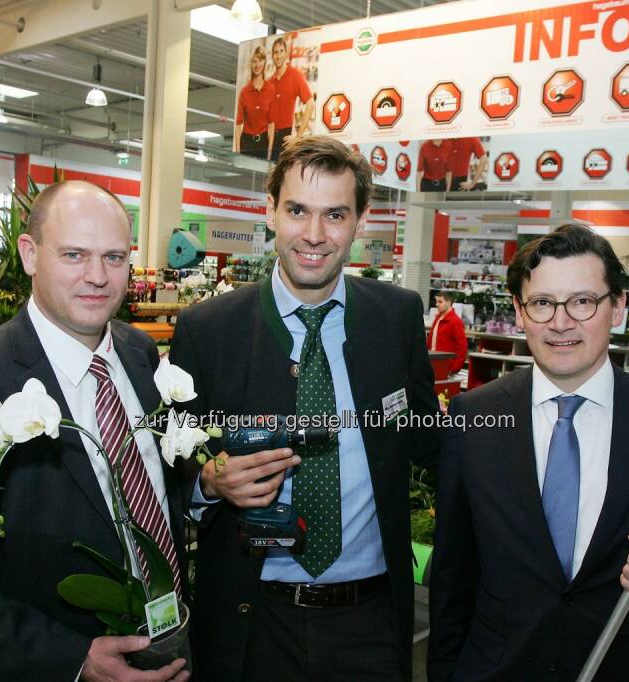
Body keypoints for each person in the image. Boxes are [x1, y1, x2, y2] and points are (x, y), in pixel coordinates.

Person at [0, 181, 191, 682]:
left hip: (165, 657)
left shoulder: (139, 357)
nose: (97, 277)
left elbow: (154, 491)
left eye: (114, 257)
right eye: (74, 254)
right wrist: (70, 660)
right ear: (30, 255)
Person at [428, 224, 629, 681]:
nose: (561, 323)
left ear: (617, 306)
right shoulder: (472, 417)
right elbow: (453, 574)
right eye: (543, 303)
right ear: (520, 313)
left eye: (583, 301)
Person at [169, 136, 439, 681]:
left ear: (361, 221)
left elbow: (430, 441)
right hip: (252, 621)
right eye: (297, 211)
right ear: (270, 212)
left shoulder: (396, 318)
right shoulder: (208, 331)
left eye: (335, 214)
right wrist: (210, 480)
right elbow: (167, 462)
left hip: (371, 623)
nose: (314, 236)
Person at [268, 36, 314, 160]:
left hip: (286, 136)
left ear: (286, 53)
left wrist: (298, 137)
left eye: (281, 51)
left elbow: (310, 104)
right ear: (272, 56)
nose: (278, 56)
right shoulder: (270, 82)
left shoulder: (295, 75)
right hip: (270, 137)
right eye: (276, 52)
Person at [234, 44, 276, 160]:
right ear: (250, 64)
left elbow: (271, 125)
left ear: (264, 62)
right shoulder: (244, 92)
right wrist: (238, 153)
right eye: (254, 61)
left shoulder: (270, 89)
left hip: (263, 143)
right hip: (246, 143)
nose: (257, 65)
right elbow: (238, 126)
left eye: (260, 61)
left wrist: (269, 153)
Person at [427, 292, 467, 375]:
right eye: (436, 302)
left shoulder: (455, 321)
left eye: (440, 302)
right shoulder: (438, 318)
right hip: (433, 364)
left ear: (448, 303)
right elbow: (430, 341)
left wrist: (454, 368)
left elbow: (462, 347)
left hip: (446, 367)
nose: (437, 304)